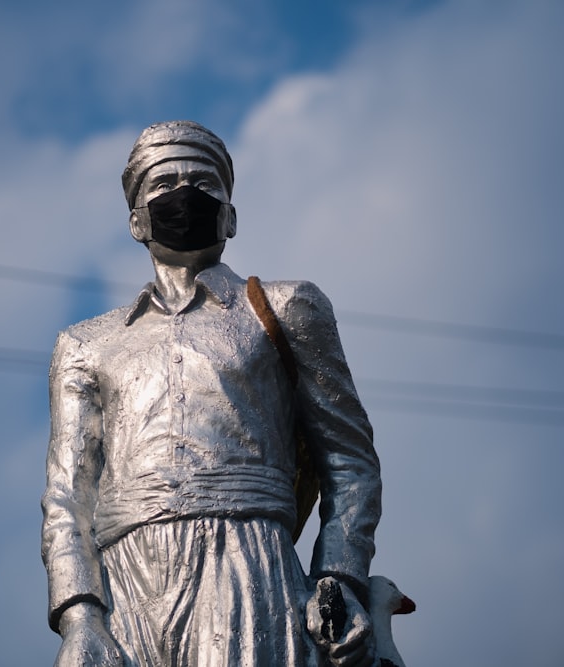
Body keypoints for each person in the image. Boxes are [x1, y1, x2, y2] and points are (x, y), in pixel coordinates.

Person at [42, 120, 381, 666]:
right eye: (163, 184)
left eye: (204, 184)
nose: (184, 196)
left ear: (231, 215)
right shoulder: (86, 344)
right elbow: (67, 496)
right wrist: (79, 615)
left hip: (249, 564)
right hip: (128, 580)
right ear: (135, 220)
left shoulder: (287, 307)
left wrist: (340, 578)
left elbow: (349, 462)